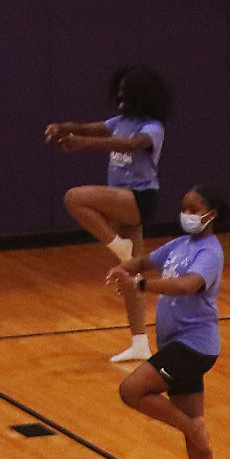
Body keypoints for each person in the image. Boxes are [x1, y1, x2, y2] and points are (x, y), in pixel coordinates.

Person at [106, 187, 227, 459]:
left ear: (211, 214)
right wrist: (125, 268)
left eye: (193, 208)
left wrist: (143, 285)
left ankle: (191, 427)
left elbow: (188, 285)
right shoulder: (181, 245)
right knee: (194, 426)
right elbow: (147, 261)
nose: (186, 213)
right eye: (183, 207)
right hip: (177, 344)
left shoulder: (210, 253)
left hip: (194, 346)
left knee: (131, 390)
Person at [43, 67, 172, 364]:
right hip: (121, 199)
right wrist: (63, 127)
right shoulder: (119, 121)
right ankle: (140, 342)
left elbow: (130, 145)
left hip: (139, 199)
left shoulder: (153, 127)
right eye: (120, 88)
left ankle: (119, 245)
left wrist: (85, 145)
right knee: (130, 275)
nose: (121, 94)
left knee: (75, 198)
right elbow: (88, 127)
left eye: (127, 89)